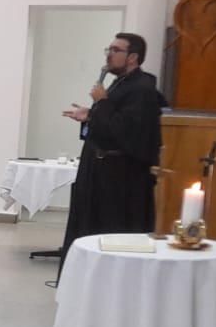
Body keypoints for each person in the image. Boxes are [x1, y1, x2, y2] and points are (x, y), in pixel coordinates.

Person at [59, 32, 163, 252]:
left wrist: (102, 103)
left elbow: (128, 132)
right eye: (109, 49)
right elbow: (111, 123)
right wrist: (90, 114)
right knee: (88, 230)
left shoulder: (142, 89)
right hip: (99, 170)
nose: (109, 55)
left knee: (110, 232)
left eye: (116, 50)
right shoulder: (121, 83)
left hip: (120, 178)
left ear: (133, 57)